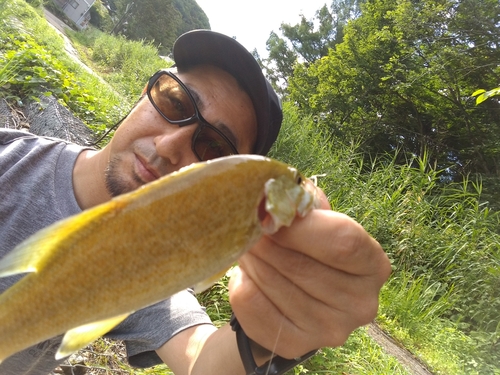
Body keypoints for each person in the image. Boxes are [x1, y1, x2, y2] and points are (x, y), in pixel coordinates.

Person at [0, 30, 391, 375]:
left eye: (213, 147)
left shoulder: (155, 269)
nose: (169, 147)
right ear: (145, 91)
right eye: (174, 102)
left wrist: (275, 336)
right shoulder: (8, 152)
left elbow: (201, 360)